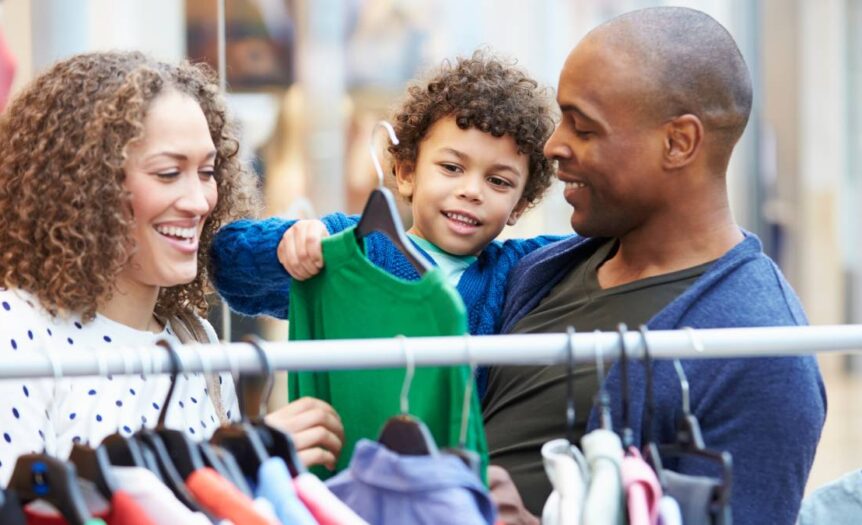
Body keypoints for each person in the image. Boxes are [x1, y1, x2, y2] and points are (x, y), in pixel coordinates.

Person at [481, 7, 826, 525]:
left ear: (678, 142)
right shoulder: (542, 270)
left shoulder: (761, 351)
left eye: (583, 127)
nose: (553, 146)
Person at [0, 51, 344, 484]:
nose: (199, 201)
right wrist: (240, 456)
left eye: (206, 171)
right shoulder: (15, 333)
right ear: (82, 185)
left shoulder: (196, 339)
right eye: (167, 173)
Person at [210, 51, 563, 378]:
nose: (472, 191)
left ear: (520, 205)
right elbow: (228, 260)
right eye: (452, 167)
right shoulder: (354, 248)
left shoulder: (517, 271)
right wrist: (289, 243)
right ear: (408, 173)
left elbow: (602, 242)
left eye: (498, 181)